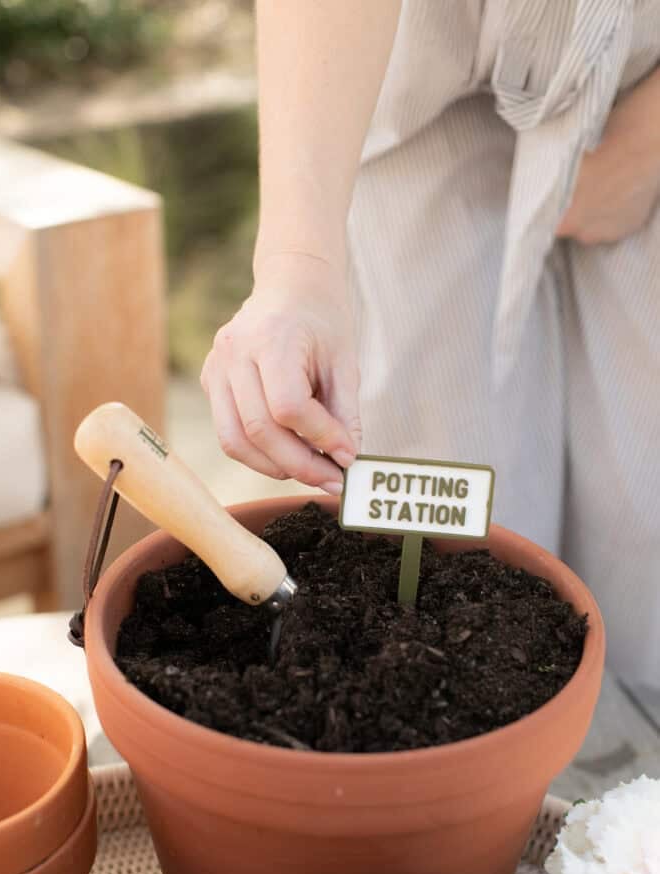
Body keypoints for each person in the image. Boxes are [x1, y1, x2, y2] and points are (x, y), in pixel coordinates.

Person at [201, 1, 660, 689]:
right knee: (437, 500)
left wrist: (647, 142)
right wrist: (297, 270)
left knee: (641, 518)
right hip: (404, 96)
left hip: (643, 79)